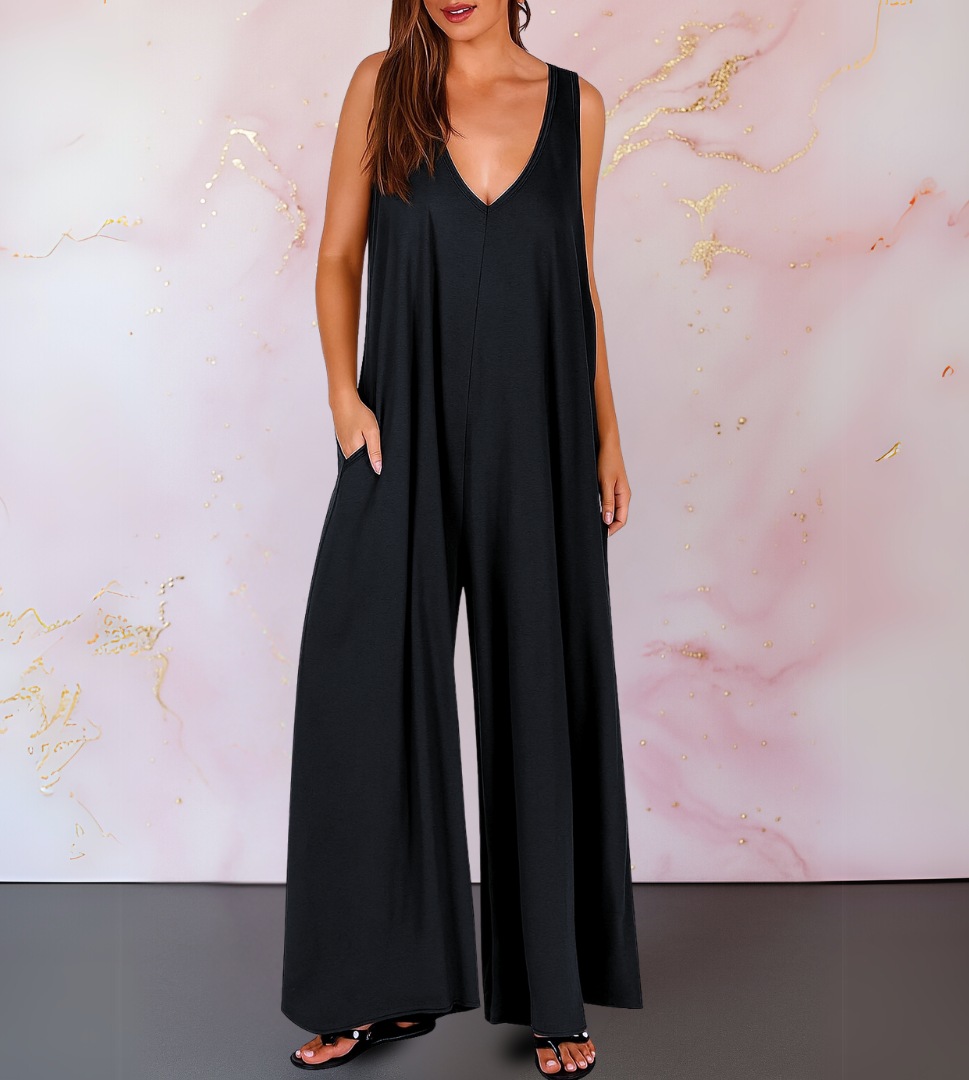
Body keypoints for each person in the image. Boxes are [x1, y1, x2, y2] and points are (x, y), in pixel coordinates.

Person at [281, 0, 642, 1074]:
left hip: (542, 437)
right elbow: (337, 255)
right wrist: (343, 395)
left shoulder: (577, 107)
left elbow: (576, 283)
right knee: (363, 687)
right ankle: (371, 983)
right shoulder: (381, 85)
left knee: (541, 697)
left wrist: (607, 435)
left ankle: (554, 997)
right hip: (403, 430)